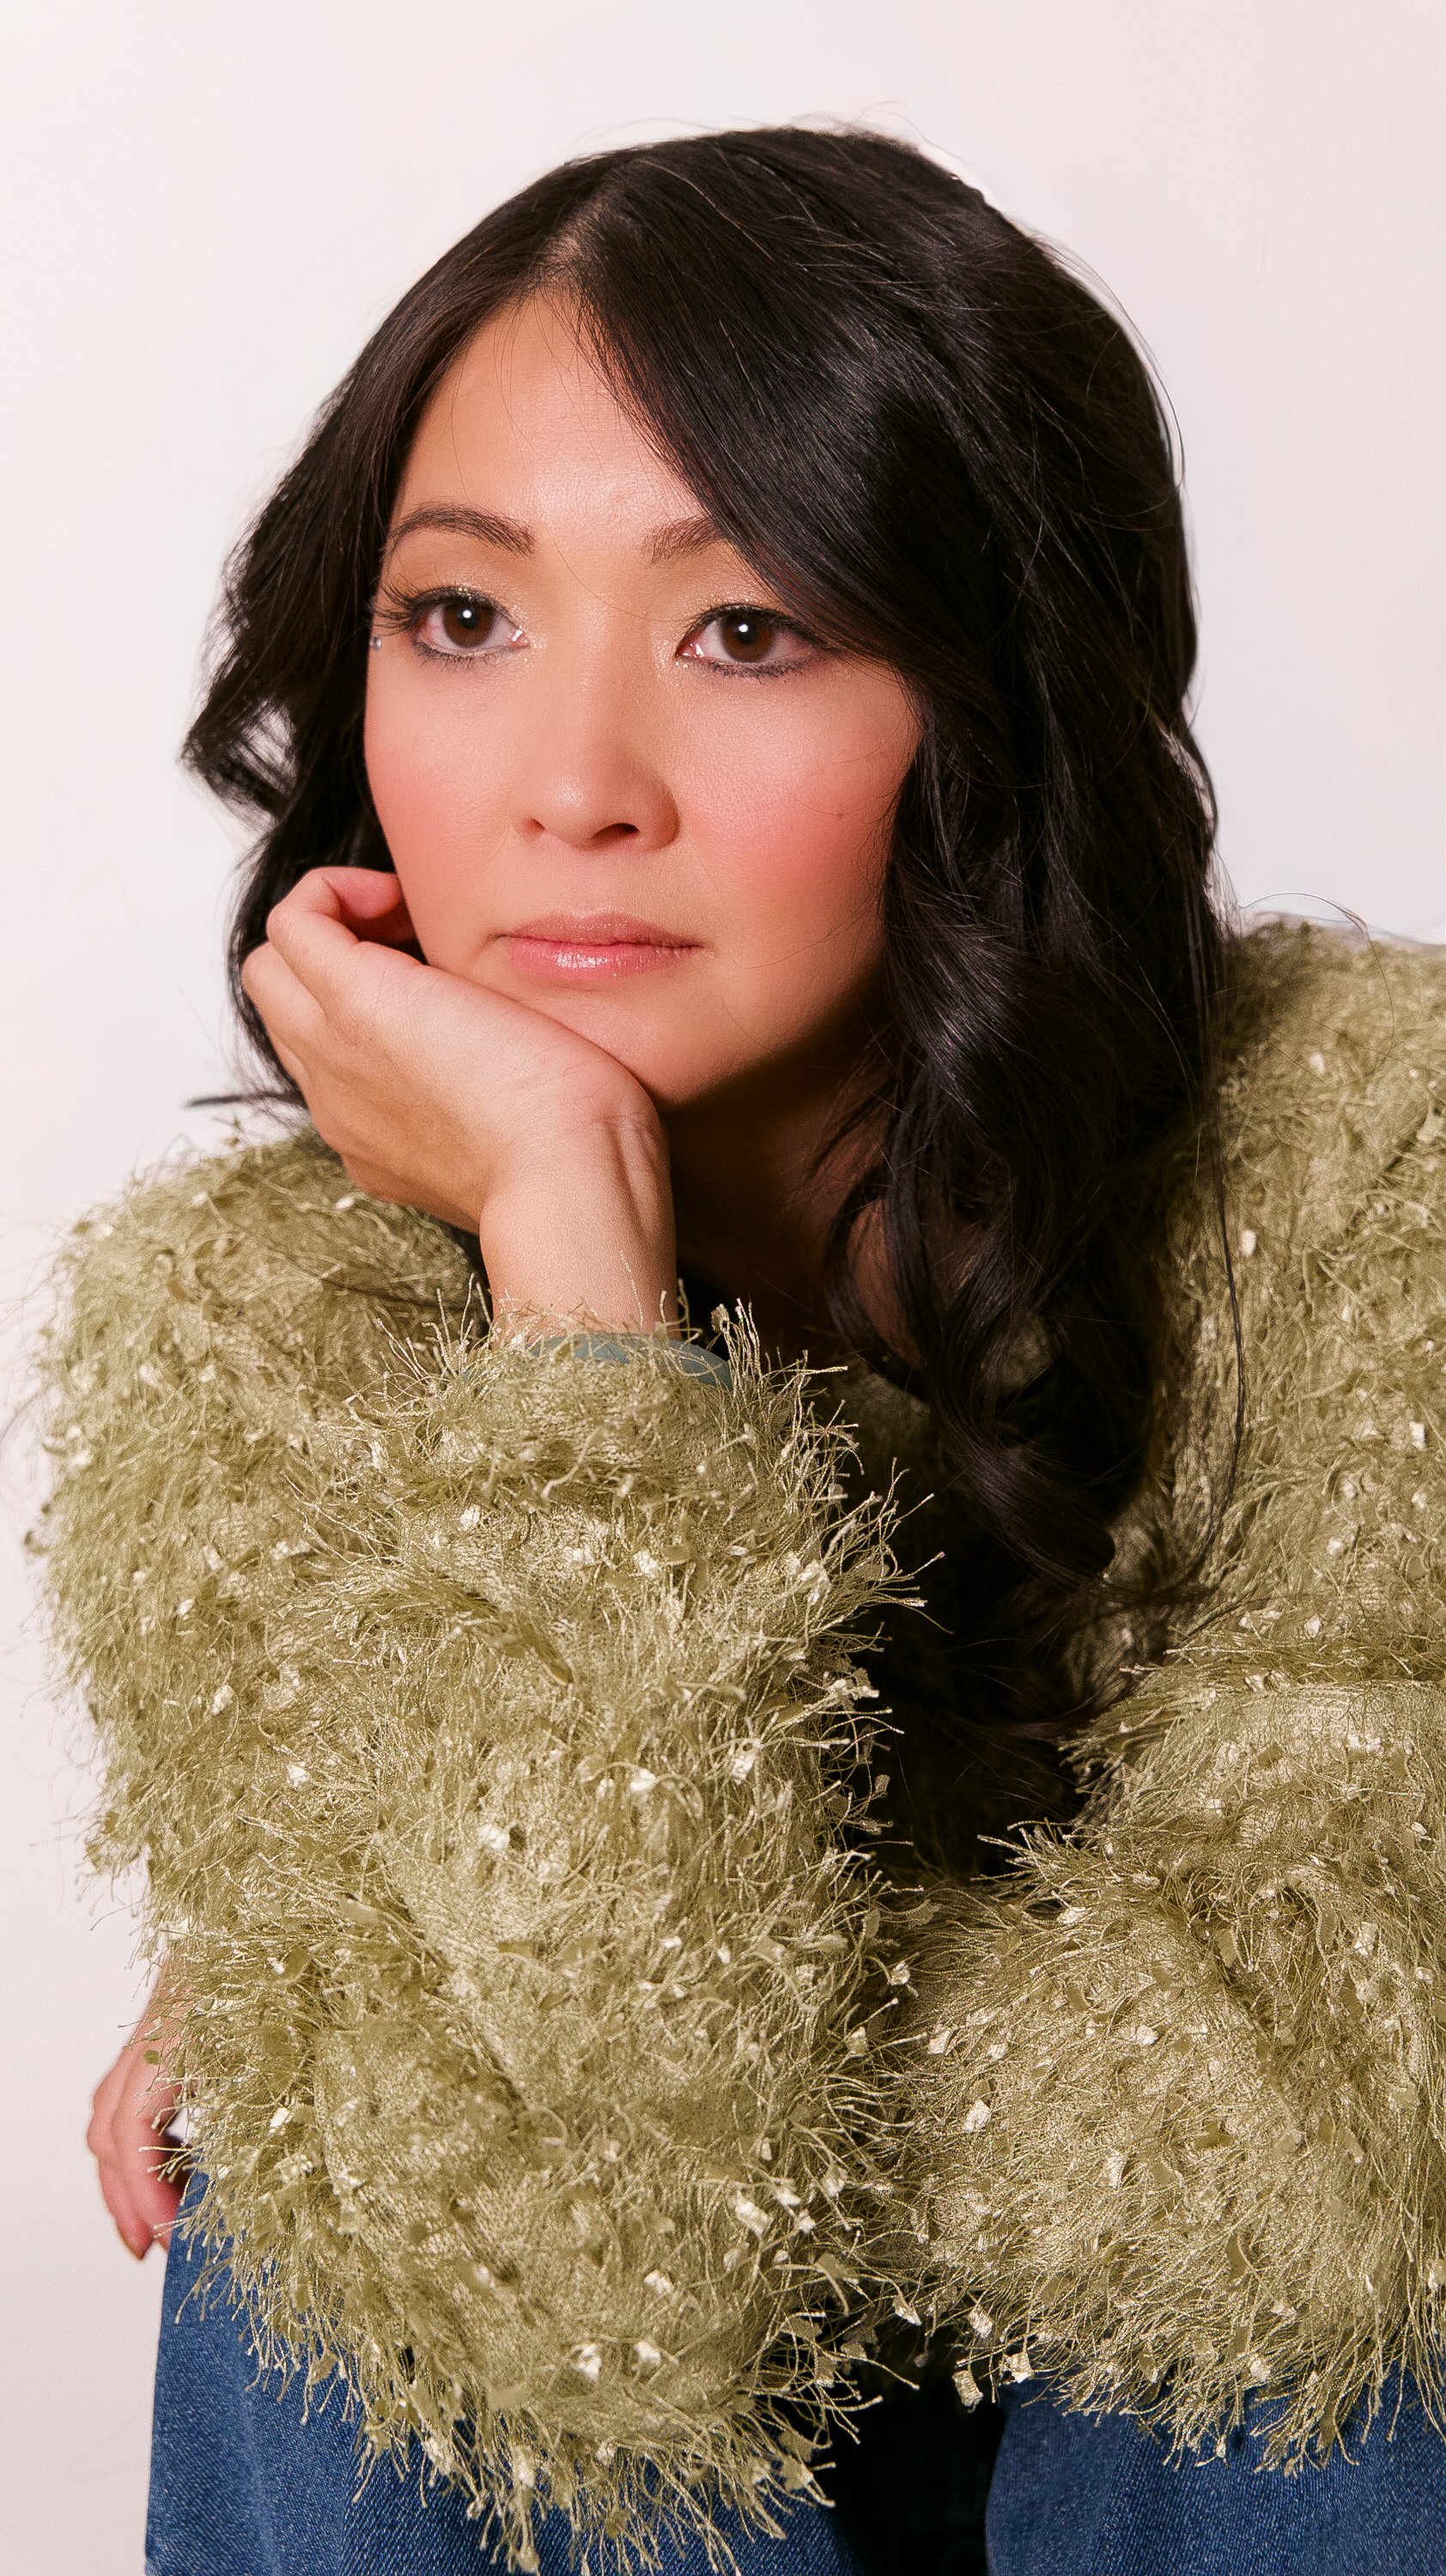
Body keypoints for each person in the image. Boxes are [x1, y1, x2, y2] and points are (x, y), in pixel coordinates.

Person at [37, 126, 1445, 2576]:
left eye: (748, 629)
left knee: (1335, 2321)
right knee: (369, 2220)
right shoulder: (256, 1326)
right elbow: (581, 2253)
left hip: (1204, 2462)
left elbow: (1327, 2124)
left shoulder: (1371, 1171)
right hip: (690, 2436)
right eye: (460, 621)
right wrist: (574, 1281)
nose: (571, 790)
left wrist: (363, 1973)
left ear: (994, 688)